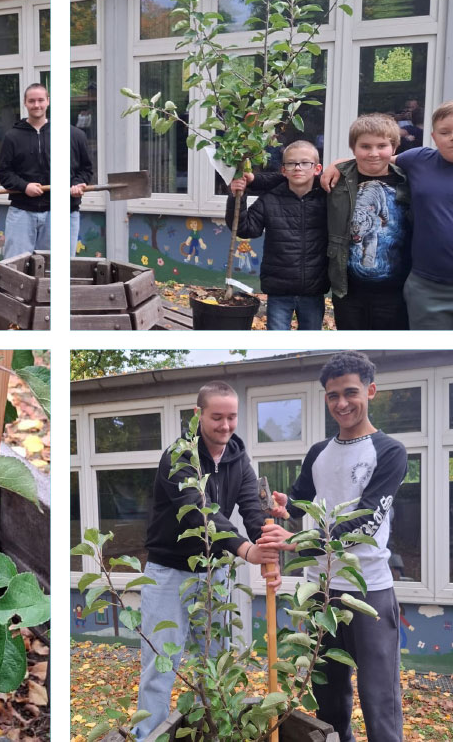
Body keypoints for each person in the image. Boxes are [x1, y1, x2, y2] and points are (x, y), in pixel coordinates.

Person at [257, 351, 405, 742]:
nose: (341, 403)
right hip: (321, 592)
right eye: (333, 395)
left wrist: (296, 544)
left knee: (380, 700)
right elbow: (301, 500)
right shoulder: (318, 452)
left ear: (370, 391)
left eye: (350, 392)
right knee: (329, 698)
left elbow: (365, 523)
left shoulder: (390, 452)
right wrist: (285, 506)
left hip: (369, 591)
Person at [133, 382, 286, 740]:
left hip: (213, 574)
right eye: (217, 417)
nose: (225, 425)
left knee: (217, 663)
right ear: (198, 414)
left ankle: (213, 732)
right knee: (160, 665)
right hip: (168, 574)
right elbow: (198, 512)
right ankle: (147, 736)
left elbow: (252, 509)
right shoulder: (179, 456)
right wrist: (245, 550)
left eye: (232, 417)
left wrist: (267, 550)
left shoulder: (238, 458)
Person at [316, 114, 412, 329]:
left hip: (396, 289)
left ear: (394, 148)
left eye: (382, 146)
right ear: (353, 148)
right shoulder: (337, 180)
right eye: (365, 146)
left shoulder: (409, 179)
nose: (373, 153)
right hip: (349, 290)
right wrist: (253, 179)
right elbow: (294, 181)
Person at [226, 140, 328, 330]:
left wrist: (256, 180)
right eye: (291, 163)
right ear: (283, 170)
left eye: (305, 163)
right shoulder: (270, 199)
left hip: (313, 289)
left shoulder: (327, 198)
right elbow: (245, 229)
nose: (297, 168)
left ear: (317, 169)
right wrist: (237, 196)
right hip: (279, 290)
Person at [0, 83, 50, 259]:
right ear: (25, 103)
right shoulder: (12, 136)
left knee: (50, 266)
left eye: (40, 100)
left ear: (48, 101)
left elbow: (81, 169)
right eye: (32, 101)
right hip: (21, 210)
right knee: (15, 263)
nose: (36, 105)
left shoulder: (64, 133)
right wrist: (24, 186)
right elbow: (4, 172)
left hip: (55, 211)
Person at [70, 124, 93, 256]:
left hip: (69, 208)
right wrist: (24, 186)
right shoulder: (40, 135)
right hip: (37, 207)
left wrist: (77, 184)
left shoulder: (77, 135)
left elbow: (86, 169)